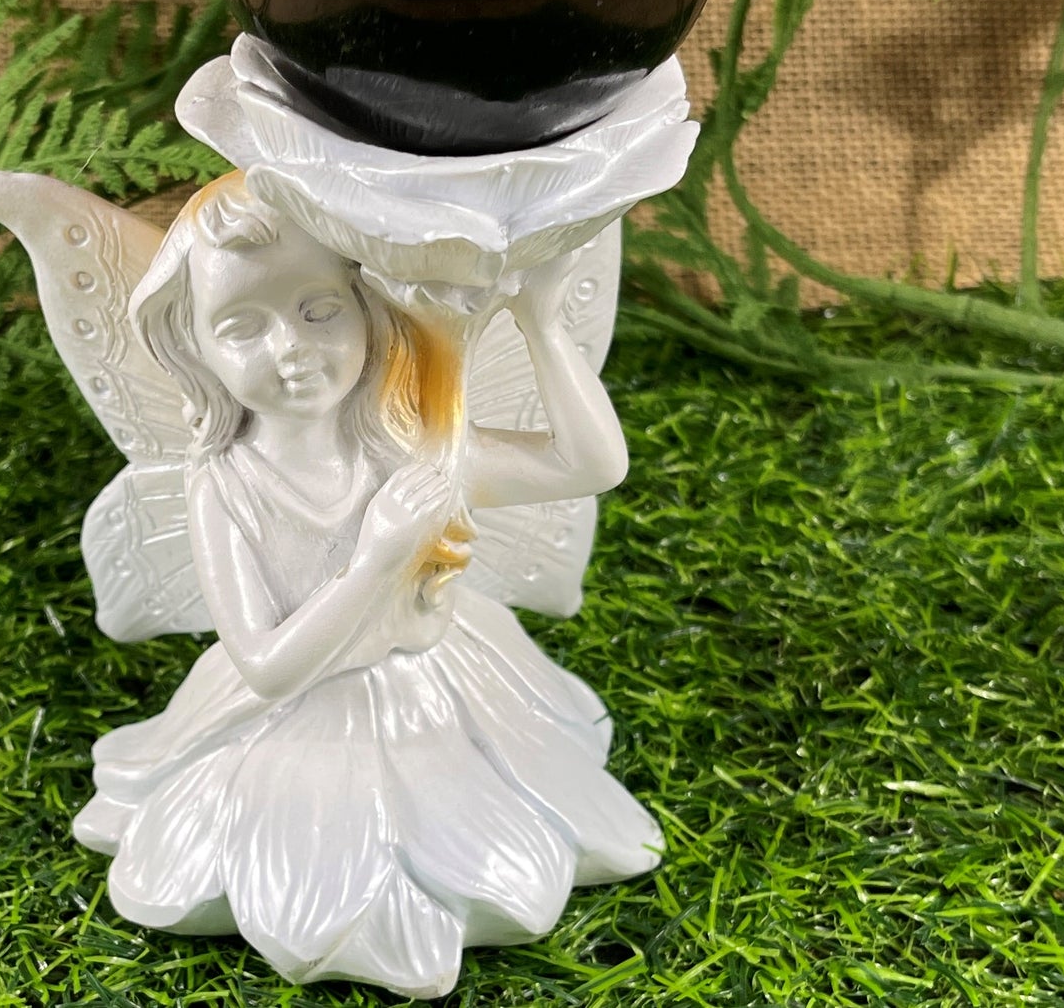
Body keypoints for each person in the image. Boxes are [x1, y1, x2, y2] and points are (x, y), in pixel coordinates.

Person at [72, 174, 660, 997]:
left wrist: (540, 325)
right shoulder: (225, 483)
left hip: (436, 695)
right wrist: (377, 558)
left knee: (488, 835)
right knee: (293, 866)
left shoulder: (413, 446)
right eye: (242, 325)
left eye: (319, 310)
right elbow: (267, 667)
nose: (290, 347)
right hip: (298, 720)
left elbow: (587, 464)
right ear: (192, 346)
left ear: (367, 309)